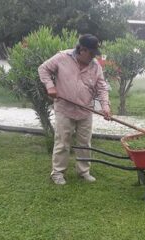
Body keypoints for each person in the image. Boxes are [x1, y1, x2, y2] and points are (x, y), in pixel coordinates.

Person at [38, 34, 111, 185]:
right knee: (63, 142)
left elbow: (102, 86)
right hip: (65, 109)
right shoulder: (62, 57)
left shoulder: (95, 65)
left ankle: (83, 171)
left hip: (85, 109)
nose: (93, 57)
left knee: (85, 142)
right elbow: (43, 69)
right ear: (82, 50)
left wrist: (105, 106)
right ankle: (57, 173)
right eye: (91, 53)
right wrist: (50, 86)